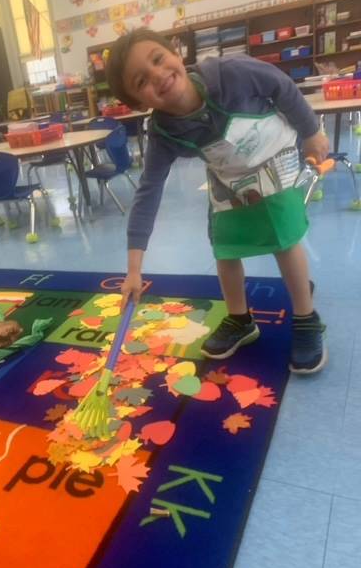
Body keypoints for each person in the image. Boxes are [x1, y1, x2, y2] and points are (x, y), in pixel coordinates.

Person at [105, 28, 330, 375]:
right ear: (138, 104)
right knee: (225, 249)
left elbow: (281, 87)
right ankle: (240, 320)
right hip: (229, 174)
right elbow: (148, 190)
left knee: (284, 240)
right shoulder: (164, 132)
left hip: (273, 153)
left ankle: (305, 317)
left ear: (176, 52)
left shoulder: (230, 72)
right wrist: (134, 270)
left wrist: (312, 131)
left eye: (158, 59)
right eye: (142, 80)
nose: (159, 75)